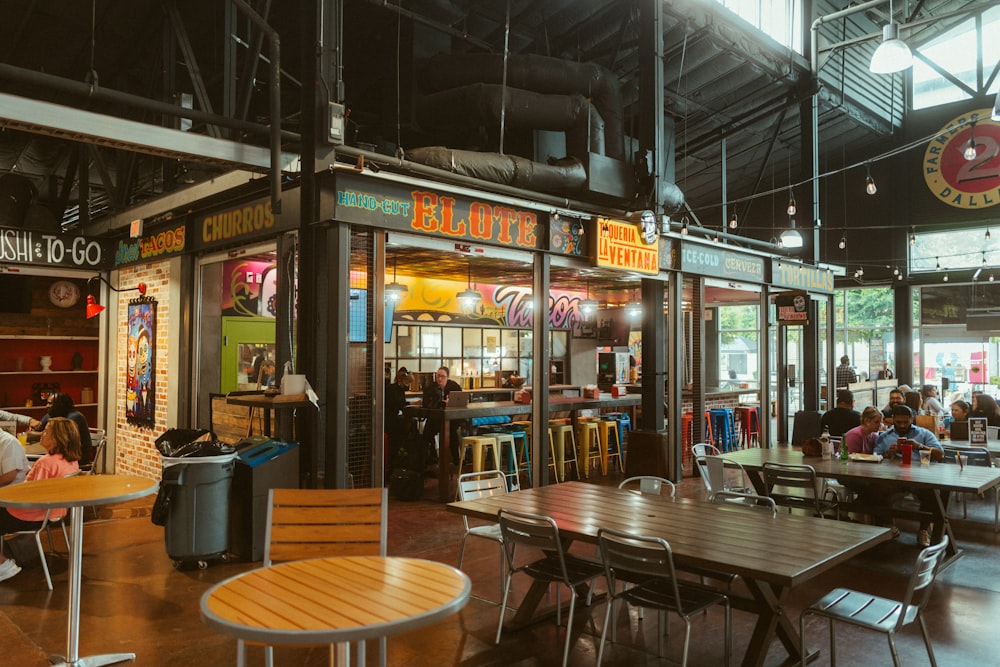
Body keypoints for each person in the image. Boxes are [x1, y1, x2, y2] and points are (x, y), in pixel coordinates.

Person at [0, 417, 81, 582]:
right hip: (55, 513)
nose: (41, 434)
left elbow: (31, 497)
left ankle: (4, 565)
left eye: (46, 432)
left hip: (33, 515)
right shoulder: (71, 461)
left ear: (57, 438)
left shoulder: (46, 463)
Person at [871, 405, 944, 547]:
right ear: (893, 420)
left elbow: (940, 455)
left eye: (906, 422)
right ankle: (889, 525)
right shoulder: (885, 437)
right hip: (894, 476)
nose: (903, 425)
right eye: (899, 422)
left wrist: (919, 446)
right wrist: (888, 454)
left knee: (930, 492)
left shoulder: (924, 434)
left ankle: (924, 530)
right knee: (876, 489)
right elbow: (875, 457)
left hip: (920, 476)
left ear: (912, 419)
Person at [30, 393, 93, 465]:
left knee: (40, 462)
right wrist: (41, 433)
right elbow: (35, 430)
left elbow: (58, 438)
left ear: (61, 404)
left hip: (77, 457)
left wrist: (38, 434)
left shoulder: (75, 417)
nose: (46, 406)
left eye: (50, 403)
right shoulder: (52, 414)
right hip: (60, 454)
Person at [421, 366, 462, 465]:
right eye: (437, 376)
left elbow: (462, 400)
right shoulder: (431, 387)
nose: (439, 379)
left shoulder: (454, 386)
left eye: (442, 376)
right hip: (435, 417)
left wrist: (450, 402)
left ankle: (456, 460)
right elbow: (425, 403)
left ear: (447, 377)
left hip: (451, 418)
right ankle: (431, 458)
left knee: (452, 433)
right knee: (426, 434)